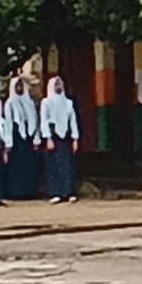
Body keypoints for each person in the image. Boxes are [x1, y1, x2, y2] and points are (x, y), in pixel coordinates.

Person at [38, 71, 82, 202]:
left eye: (60, 83)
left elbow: (73, 121)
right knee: (54, 165)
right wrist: (48, 138)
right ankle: (55, 192)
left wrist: (75, 138)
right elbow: (44, 121)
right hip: (53, 135)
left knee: (67, 165)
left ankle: (69, 191)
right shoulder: (46, 102)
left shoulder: (68, 103)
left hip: (65, 137)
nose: (58, 86)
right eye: (56, 84)